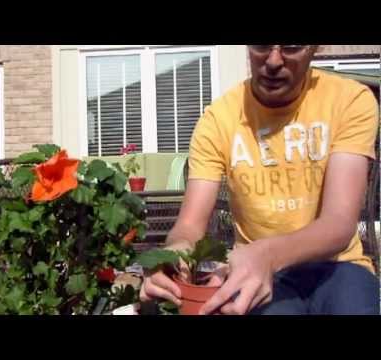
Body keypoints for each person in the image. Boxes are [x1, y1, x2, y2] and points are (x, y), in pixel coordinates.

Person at [140, 45, 380, 315]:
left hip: (340, 267)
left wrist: (267, 254)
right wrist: (173, 255)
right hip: (259, 277)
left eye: (291, 47)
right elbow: (189, 225)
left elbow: (338, 223)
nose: (274, 60)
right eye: (262, 45)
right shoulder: (217, 119)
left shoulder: (349, 100)